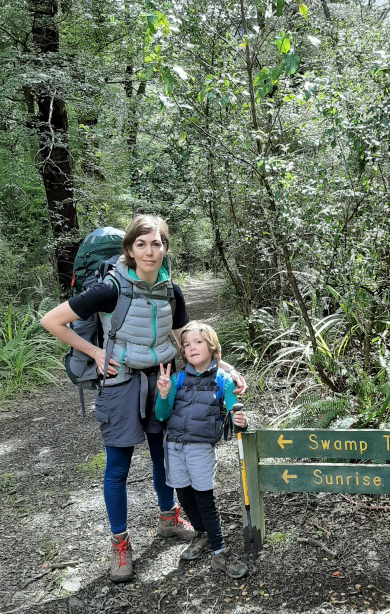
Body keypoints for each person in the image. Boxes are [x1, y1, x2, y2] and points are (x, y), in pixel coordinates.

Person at [40, 215, 246, 584]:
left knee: (162, 456)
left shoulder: (171, 290)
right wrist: (95, 351)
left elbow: (187, 337)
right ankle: (121, 544)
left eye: (157, 244)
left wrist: (224, 367)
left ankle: (168, 519)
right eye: (142, 244)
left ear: (165, 249)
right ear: (130, 249)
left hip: (163, 381)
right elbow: (51, 321)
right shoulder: (109, 288)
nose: (150, 252)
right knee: (118, 466)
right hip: (120, 383)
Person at [155, 321, 249, 579]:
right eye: (187, 345)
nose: (192, 348)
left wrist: (241, 420)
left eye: (198, 342)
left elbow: (233, 409)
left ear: (212, 346)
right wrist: (163, 395)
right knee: (184, 496)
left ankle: (220, 553)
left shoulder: (223, 380)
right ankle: (202, 534)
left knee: (204, 499)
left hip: (200, 448)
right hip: (173, 446)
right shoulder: (176, 379)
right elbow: (161, 415)